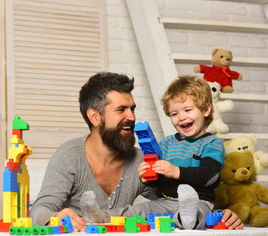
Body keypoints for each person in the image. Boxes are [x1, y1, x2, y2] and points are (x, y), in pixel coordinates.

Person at [30, 72, 243, 231]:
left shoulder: (140, 158)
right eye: (121, 110)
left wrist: (218, 215)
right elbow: (39, 210)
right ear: (95, 117)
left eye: (132, 109)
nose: (132, 117)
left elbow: (174, 197)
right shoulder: (68, 156)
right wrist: (54, 218)